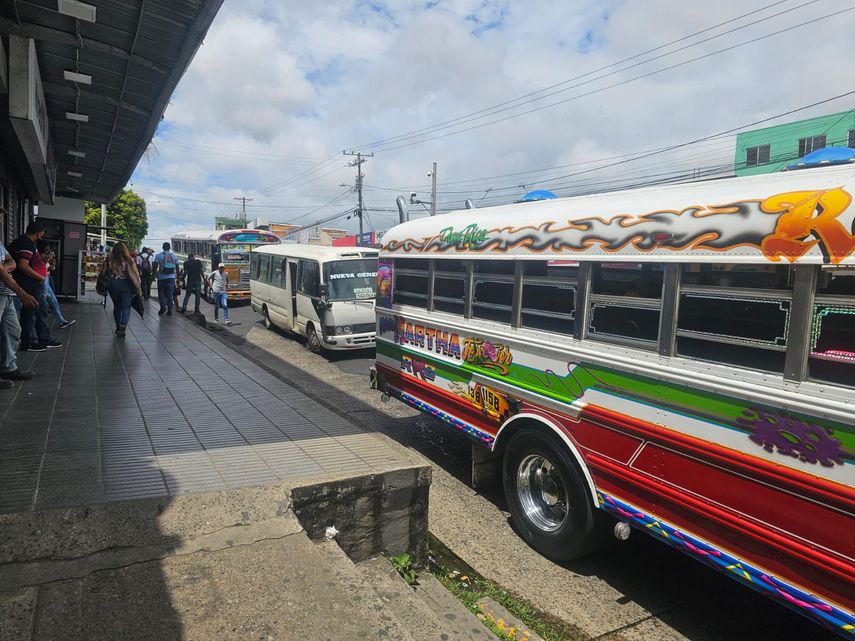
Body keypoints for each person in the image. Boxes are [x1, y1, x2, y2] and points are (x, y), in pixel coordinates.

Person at [9, 221, 62, 352]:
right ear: (39, 233)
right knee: (30, 312)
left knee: (39, 310)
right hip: (29, 283)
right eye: (42, 232)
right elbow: (23, 266)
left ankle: (42, 338)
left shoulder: (24, 242)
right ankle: (29, 341)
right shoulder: (26, 244)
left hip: (31, 283)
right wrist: (40, 277)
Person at [0, 240, 37, 387]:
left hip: (6, 294)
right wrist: (22, 294)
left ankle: (8, 367)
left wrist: (4, 267)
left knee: (13, 331)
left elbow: (12, 262)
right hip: (5, 292)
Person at [102, 242, 142, 337]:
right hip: (127, 284)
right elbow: (135, 273)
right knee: (126, 306)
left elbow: (103, 273)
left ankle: (118, 326)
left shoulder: (109, 260)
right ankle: (123, 325)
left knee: (117, 306)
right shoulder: (129, 260)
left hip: (113, 284)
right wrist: (138, 285)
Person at [35, 240, 75, 328]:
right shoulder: (37, 256)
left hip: (46, 278)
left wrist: (51, 261)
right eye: (46, 249)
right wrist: (48, 259)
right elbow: (42, 266)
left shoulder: (44, 255)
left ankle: (62, 321)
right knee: (43, 302)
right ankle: (38, 324)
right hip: (42, 279)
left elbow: (51, 267)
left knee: (53, 300)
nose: (48, 251)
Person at [153, 241, 179, 316]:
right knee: (170, 294)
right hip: (171, 277)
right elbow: (177, 268)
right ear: (170, 248)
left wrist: (154, 274)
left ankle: (163, 307)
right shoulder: (174, 256)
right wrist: (178, 278)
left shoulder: (158, 256)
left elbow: (155, 266)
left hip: (161, 277)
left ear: (162, 247)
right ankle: (170, 310)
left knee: (161, 293)